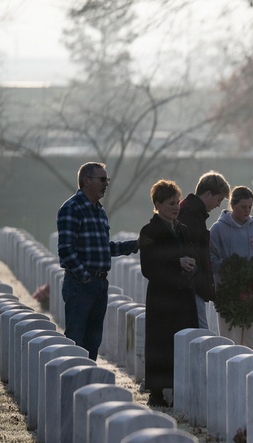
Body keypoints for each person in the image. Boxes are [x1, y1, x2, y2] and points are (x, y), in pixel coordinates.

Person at [56, 161, 139, 360]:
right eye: (102, 179)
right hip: (80, 284)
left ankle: (87, 384)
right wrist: (85, 277)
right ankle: (74, 384)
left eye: (107, 179)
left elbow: (103, 248)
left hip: (100, 284)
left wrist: (135, 245)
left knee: (93, 341)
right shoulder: (72, 208)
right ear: (86, 181)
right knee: (77, 339)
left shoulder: (99, 211)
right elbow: (66, 250)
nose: (106, 183)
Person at [138, 180, 199, 407]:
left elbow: (194, 255)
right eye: (171, 203)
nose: (176, 207)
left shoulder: (182, 230)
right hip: (162, 298)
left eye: (177, 203)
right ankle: (157, 391)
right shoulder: (149, 231)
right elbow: (148, 267)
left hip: (183, 297)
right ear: (158, 204)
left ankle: (181, 387)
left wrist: (192, 265)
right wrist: (177, 263)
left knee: (182, 343)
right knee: (161, 344)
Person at [209, 186, 253, 353]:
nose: (247, 211)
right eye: (243, 207)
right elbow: (210, 260)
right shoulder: (218, 230)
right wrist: (228, 267)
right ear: (232, 205)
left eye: (250, 207)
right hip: (228, 296)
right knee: (230, 343)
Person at [178, 171, 230, 328]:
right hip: (190, 284)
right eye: (218, 199)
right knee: (199, 331)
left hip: (192, 283)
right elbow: (191, 250)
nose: (218, 205)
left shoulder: (193, 211)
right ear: (208, 194)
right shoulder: (191, 214)